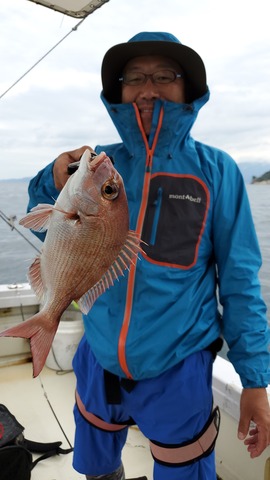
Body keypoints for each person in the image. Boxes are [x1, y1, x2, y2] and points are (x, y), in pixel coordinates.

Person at [27, 32, 270, 480]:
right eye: (134, 77)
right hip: (97, 358)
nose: (148, 89)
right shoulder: (100, 165)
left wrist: (255, 380)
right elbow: (39, 212)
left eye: (164, 76)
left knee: (182, 469)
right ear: (117, 91)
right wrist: (53, 173)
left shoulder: (217, 171)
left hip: (179, 367)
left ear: (187, 88)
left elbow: (240, 283)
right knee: (97, 467)